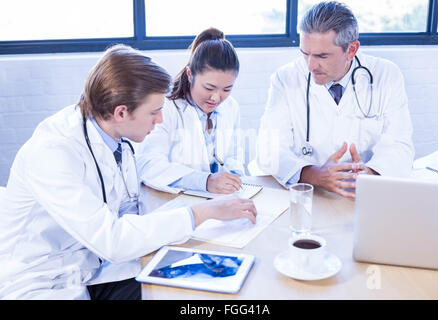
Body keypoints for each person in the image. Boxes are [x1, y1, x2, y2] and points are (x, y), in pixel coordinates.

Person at [0, 44, 257, 300]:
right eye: (154, 112)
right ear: (121, 112)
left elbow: (127, 211)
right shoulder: (54, 152)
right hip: (42, 282)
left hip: (93, 269)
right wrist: (203, 213)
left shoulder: (114, 138)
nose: (160, 120)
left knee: (196, 290)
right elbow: (112, 239)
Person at [254, 1, 414, 198]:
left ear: (352, 49)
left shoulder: (386, 75)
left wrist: (370, 174)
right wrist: (314, 174)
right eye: (305, 54)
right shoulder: (285, 78)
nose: (311, 65)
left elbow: (400, 145)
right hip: (309, 194)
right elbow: (268, 149)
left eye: (322, 56)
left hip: (365, 197)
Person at [136, 28, 244, 195]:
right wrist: (205, 181)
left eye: (226, 89)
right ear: (190, 74)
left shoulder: (231, 107)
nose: (216, 98)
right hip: (173, 202)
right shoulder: (167, 108)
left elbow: (233, 157)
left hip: (218, 201)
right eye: (209, 87)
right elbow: (149, 165)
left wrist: (234, 178)